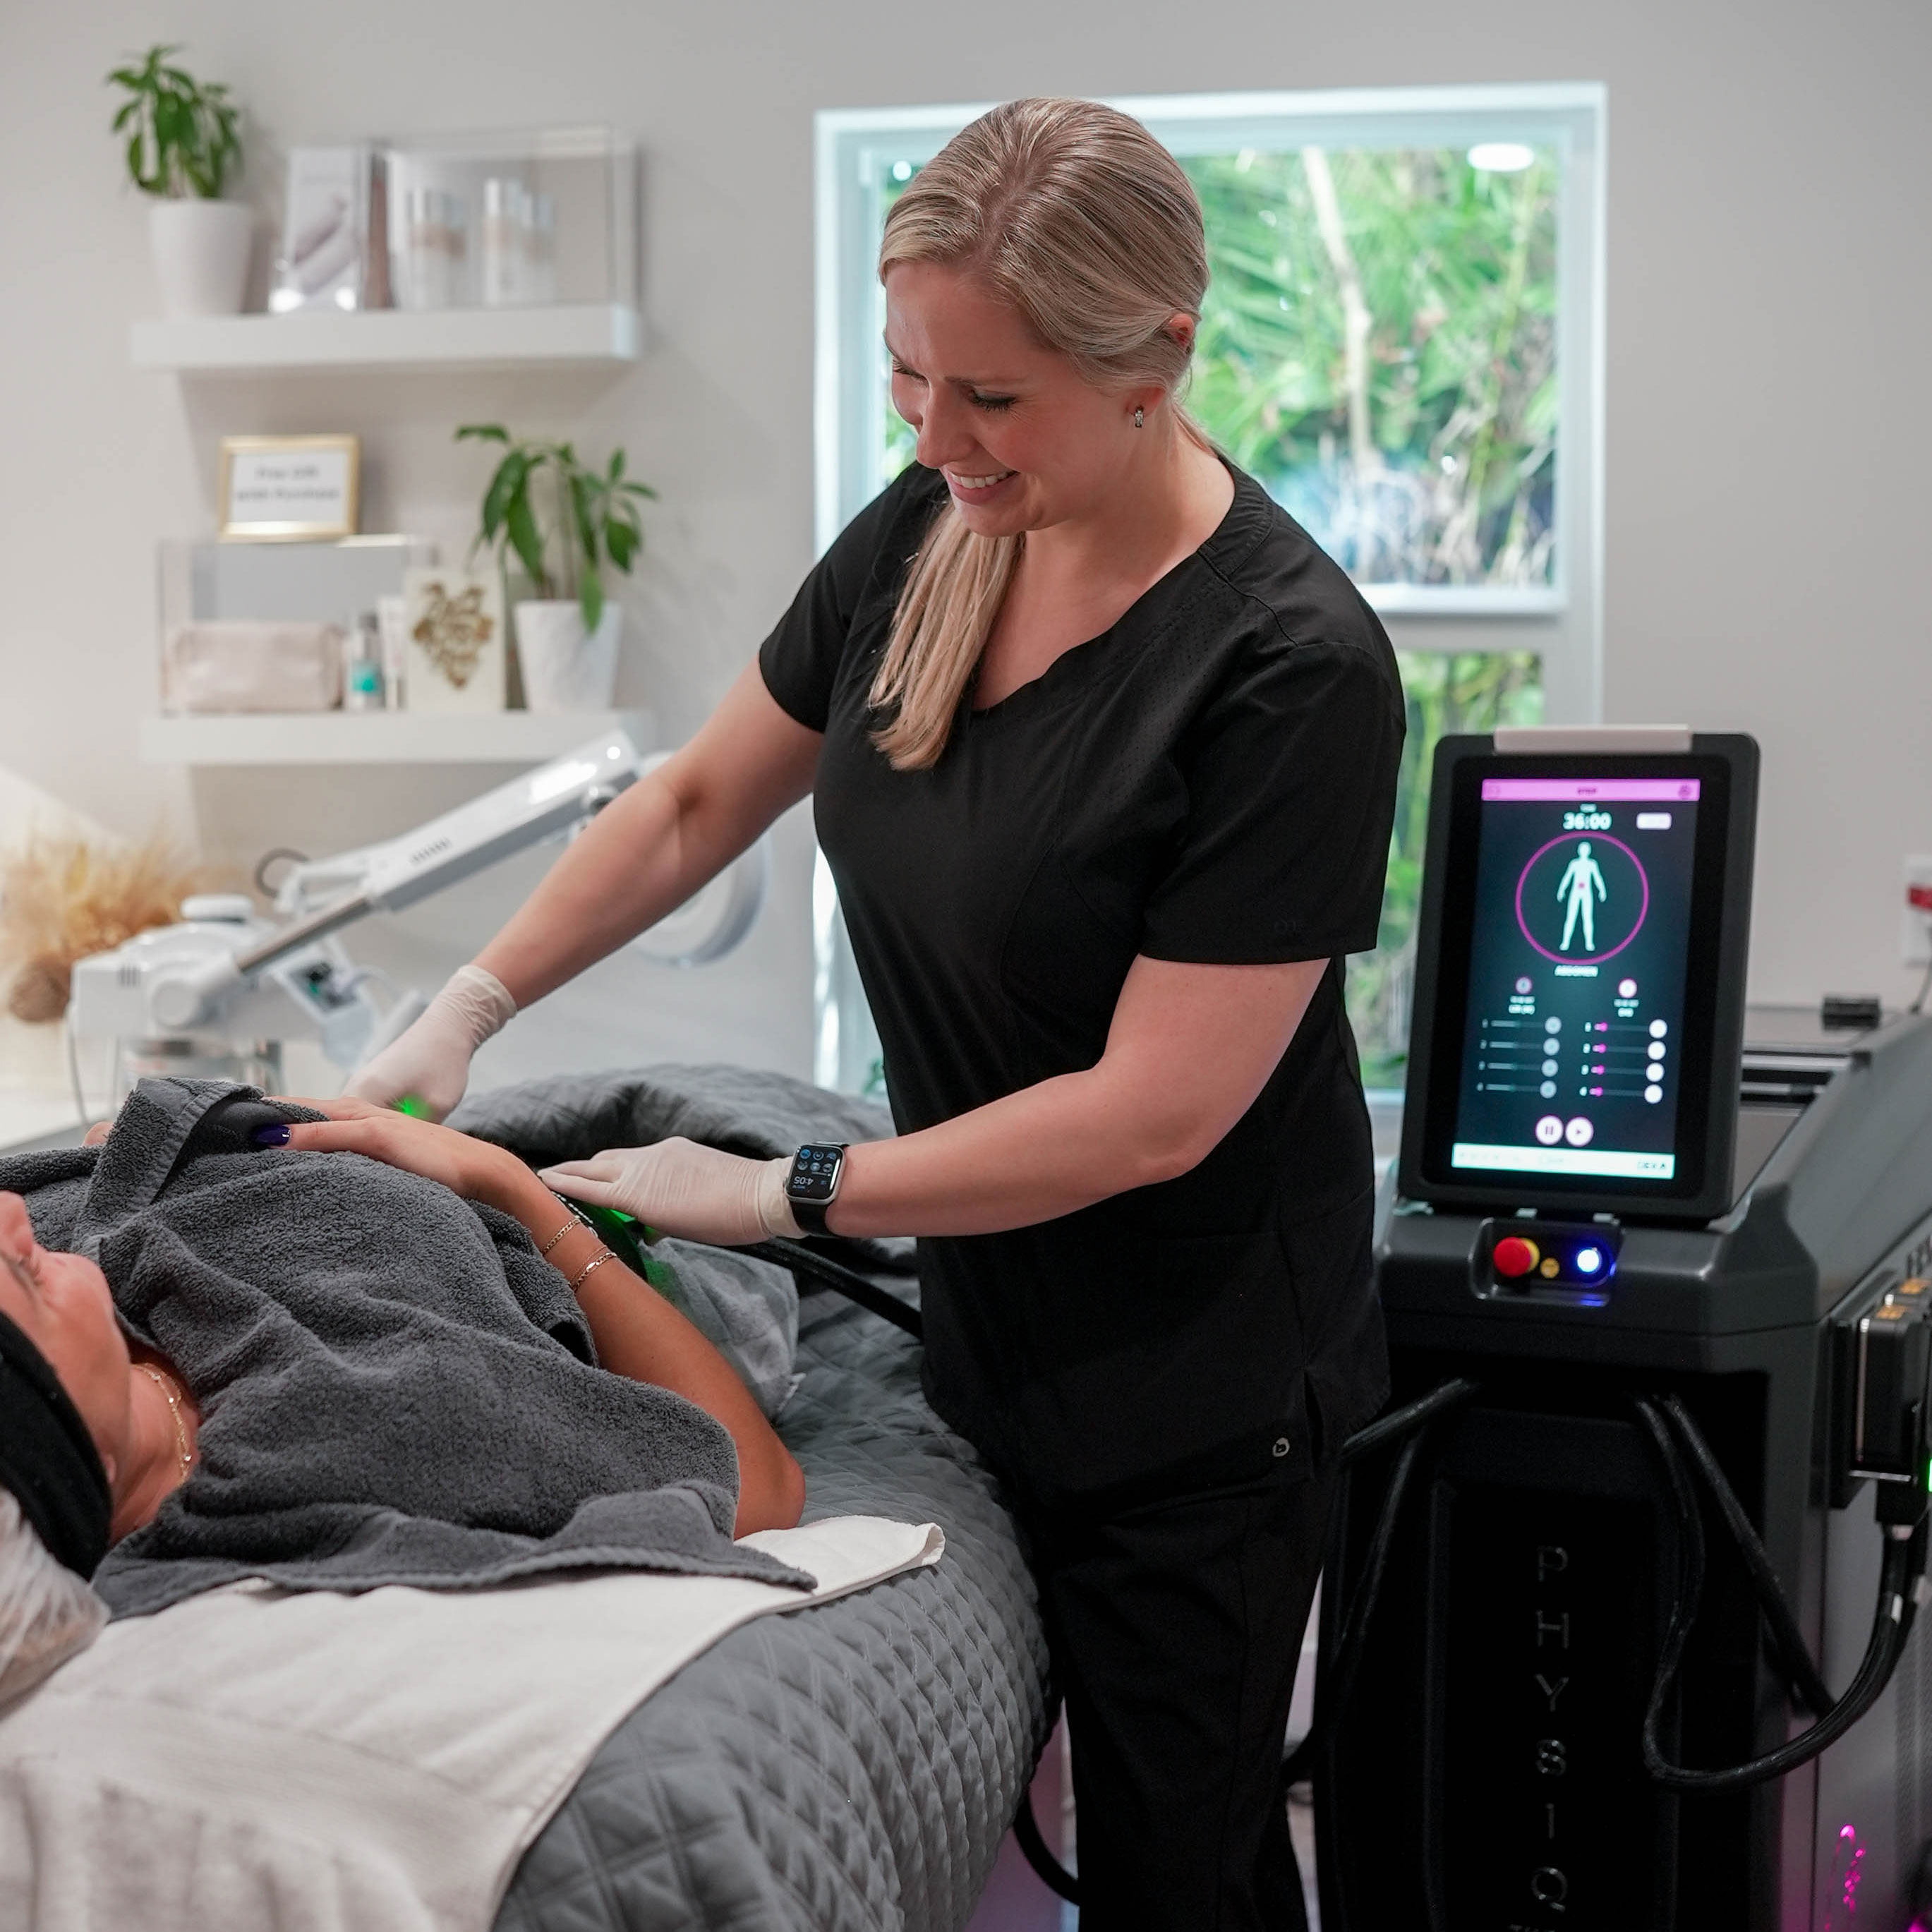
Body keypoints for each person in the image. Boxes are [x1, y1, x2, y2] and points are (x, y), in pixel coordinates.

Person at [349, 97, 1403, 1929]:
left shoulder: (1284, 670)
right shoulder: (933, 530)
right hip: (992, 1320)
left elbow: (1153, 1113)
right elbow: (690, 804)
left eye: (988, 397)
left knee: (1184, 1879)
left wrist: (781, 1193)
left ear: (1155, 352)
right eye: (911, 376)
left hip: (1199, 1388)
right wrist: (470, 999)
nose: (935, 434)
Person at [0, 1098, 807, 1698]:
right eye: (13, 1281)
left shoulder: (67, 1241)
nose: (8, 1216)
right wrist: (514, 1188)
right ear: (65, 1450)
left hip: (428, 1133)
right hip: (620, 1250)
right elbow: (756, 1485)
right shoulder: (369, 1431)